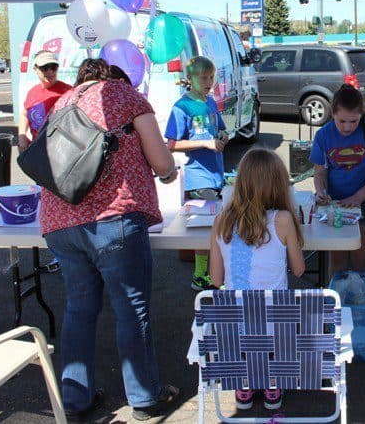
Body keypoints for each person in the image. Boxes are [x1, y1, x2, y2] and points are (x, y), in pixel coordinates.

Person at [40, 58, 180, 422]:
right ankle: (145, 396)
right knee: (131, 309)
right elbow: (161, 161)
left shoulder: (62, 101)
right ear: (115, 77)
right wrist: (167, 173)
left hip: (59, 222)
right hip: (114, 218)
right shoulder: (125, 96)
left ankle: (74, 397)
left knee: (79, 308)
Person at [209, 148, 306, 412]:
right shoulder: (283, 220)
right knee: (277, 315)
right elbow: (298, 270)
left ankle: (245, 382)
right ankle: (272, 380)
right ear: (278, 185)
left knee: (243, 315)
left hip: (235, 331)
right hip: (277, 330)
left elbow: (216, 279)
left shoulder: (221, 221)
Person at [310, 84, 365, 273]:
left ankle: (362, 300)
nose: (347, 127)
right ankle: (336, 301)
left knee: (361, 258)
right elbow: (320, 172)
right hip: (335, 203)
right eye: (342, 121)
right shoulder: (323, 134)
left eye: (353, 121)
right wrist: (321, 192)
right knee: (337, 258)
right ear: (332, 113)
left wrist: (358, 198)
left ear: (361, 115)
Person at [165, 56, 229, 290]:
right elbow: (171, 144)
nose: (209, 82)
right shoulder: (181, 107)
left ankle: (209, 273)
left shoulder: (210, 102)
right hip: (197, 177)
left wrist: (222, 137)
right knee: (207, 229)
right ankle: (203, 275)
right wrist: (205, 144)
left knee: (216, 227)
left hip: (216, 175)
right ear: (189, 79)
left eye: (211, 77)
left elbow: (221, 130)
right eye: (203, 77)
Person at [17, 50, 72, 153]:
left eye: (53, 67)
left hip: (60, 150)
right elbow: (24, 114)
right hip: (37, 148)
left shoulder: (68, 91)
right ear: (35, 69)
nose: (50, 71)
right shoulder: (32, 92)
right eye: (45, 68)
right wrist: (22, 136)